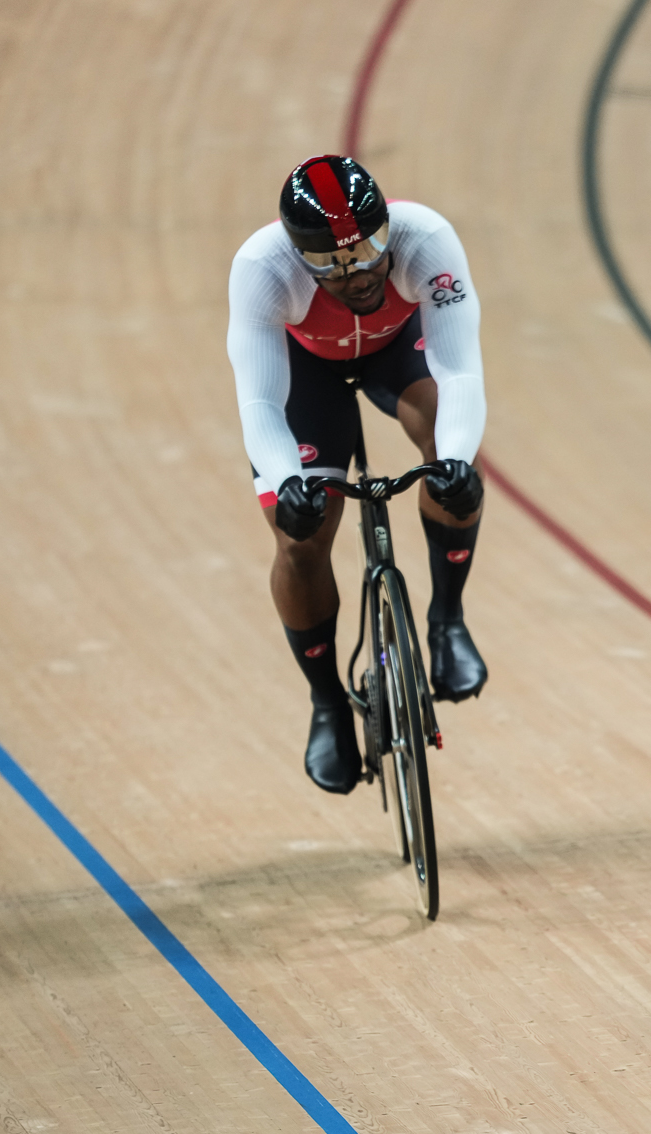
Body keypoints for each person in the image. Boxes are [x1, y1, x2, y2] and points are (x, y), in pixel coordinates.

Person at [226, 155, 489, 794]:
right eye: (331, 264)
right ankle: (327, 702)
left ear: (387, 228)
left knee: (450, 451)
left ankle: (446, 619)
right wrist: (287, 481)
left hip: (397, 352)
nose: (358, 273)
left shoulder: (425, 238)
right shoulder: (263, 267)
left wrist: (455, 460)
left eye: (370, 250)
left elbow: (460, 371)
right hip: (308, 372)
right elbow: (260, 402)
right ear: (299, 255)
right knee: (299, 539)